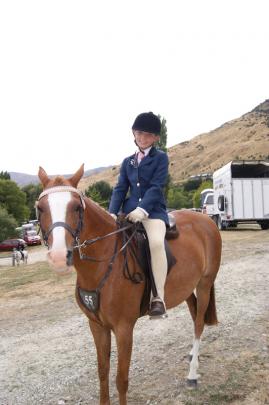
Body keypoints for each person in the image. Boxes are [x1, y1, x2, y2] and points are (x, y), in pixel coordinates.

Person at [109, 111, 169, 318]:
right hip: (128, 212)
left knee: (156, 244)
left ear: (155, 138)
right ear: (134, 134)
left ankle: (158, 298)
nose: (142, 138)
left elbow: (156, 186)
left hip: (153, 212)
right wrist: (111, 213)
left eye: (148, 135)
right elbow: (120, 189)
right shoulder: (128, 162)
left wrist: (142, 210)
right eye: (139, 133)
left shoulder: (161, 158)